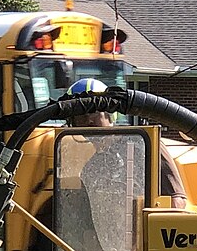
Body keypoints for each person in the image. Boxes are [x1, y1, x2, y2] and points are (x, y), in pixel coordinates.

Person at [60, 79, 188, 208]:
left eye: (94, 112)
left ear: (109, 114)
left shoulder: (145, 147)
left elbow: (177, 201)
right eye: (80, 115)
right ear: (73, 123)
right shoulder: (91, 169)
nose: (89, 120)